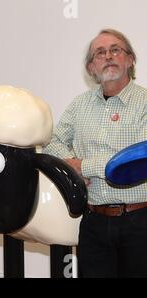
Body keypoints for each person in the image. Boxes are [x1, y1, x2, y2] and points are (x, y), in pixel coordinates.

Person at [43, 28, 147, 277]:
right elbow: (52, 141)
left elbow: (137, 159)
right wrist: (70, 168)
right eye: (99, 53)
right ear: (91, 67)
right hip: (93, 222)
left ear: (130, 59)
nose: (108, 56)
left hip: (139, 222)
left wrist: (83, 166)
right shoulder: (79, 105)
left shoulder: (145, 102)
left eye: (115, 50)